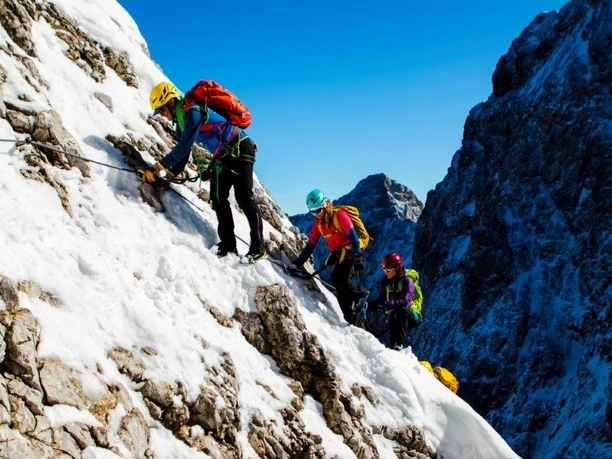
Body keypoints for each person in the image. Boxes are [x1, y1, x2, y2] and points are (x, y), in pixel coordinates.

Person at [146, 81, 265, 260]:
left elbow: (185, 146)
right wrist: (169, 176)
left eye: (162, 109)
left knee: (244, 198)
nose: (162, 115)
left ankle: (258, 248)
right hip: (223, 155)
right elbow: (184, 155)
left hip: (240, 148)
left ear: (170, 102)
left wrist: (160, 165)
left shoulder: (193, 111)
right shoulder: (181, 123)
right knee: (218, 197)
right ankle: (228, 244)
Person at [288, 189, 369, 325]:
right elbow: (310, 246)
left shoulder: (340, 215)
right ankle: (350, 319)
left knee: (339, 277)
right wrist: (297, 263)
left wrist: (358, 259)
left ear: (325, 205)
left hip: (352, 250)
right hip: (339, 253)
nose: (316, 214)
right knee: (339, 285)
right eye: (312, 212)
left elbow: (354, 239)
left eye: (318, 210)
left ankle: (361, 294)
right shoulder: (318, 225)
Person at [373, 252, 420, 350]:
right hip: (394, 314)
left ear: (396, 268)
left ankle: (399, 345)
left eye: (388, 269)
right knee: (394, 318)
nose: (386, 272)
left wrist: (386, 304)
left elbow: (405, 301)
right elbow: (381, 300)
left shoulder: (407, 281)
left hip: (412, 314)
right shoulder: (385, 282)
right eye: (384, 269)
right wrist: (371, 305)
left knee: (401, 311)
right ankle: (395, 348)